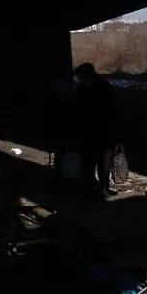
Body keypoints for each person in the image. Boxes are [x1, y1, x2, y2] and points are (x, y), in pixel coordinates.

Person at [73, 62, 122, 200]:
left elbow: (114, 111)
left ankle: (101, 188)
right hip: (91, 132)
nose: (79, 79)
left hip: (103, 132)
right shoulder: (84, 89)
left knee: (101, 164)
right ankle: (95, 188)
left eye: (81, 76)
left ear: (87, 75)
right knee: (90, 163)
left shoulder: (103, 89)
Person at [45, 79, 75, 182]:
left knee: (60, 155)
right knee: (63, 155)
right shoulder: (67, 104)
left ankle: (60, 176)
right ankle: (64, 176)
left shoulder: (54, 103)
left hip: (59, 132)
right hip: (63, 133)